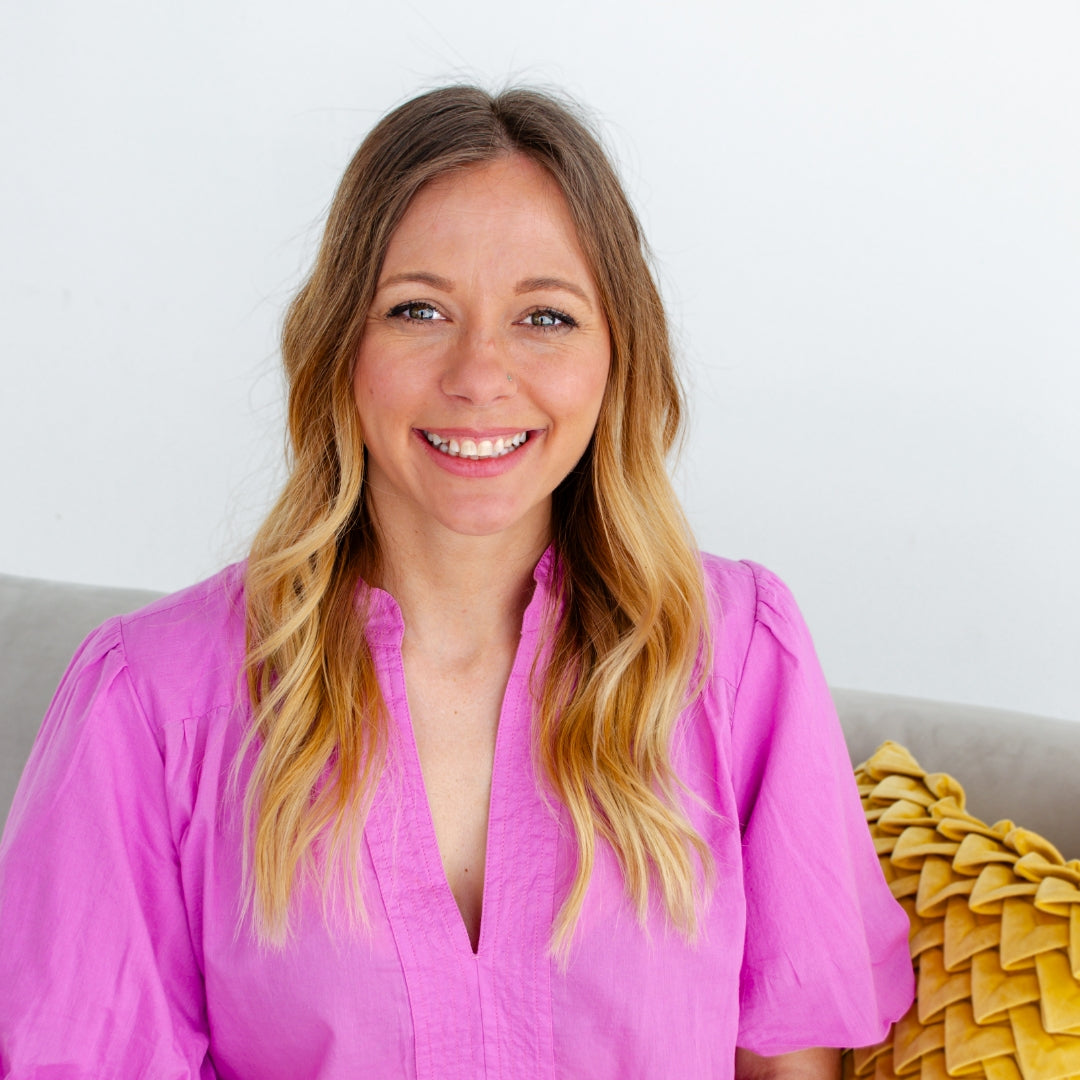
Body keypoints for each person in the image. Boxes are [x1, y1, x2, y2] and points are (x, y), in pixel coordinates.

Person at [0, 85, 914, 1078]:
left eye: (545, 317)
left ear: (619, 355)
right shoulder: (146, 703)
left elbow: (791, 1061)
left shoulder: (739, 654)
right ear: (340, 345)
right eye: (418, 309)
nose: (480, 374)